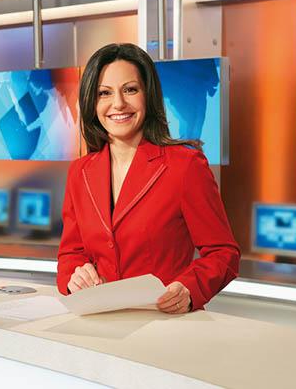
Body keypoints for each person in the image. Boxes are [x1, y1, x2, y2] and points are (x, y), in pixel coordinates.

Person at [57, 43, 240, 313]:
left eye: (130, 90)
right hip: (100, 319)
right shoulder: (80, 172)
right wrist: (75, 275)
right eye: (104, 93)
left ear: (148, 95)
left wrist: (189, 289)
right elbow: (71, 253)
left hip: (165, 321)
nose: (118, 103)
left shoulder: (185, 165)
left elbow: (223, 252)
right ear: (91, 103)